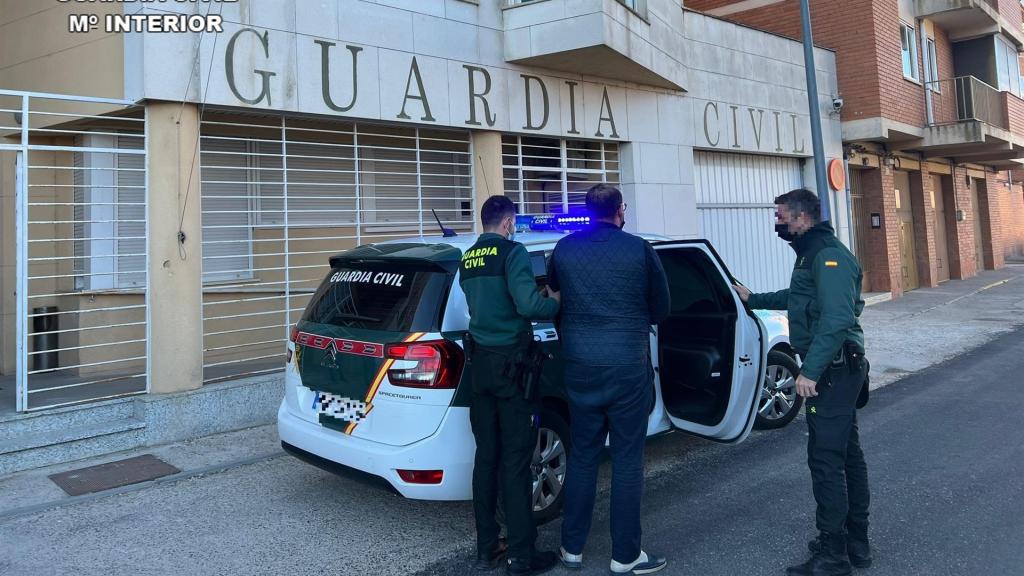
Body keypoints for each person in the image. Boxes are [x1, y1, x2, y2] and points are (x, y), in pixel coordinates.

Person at [733, 188, 871, 576]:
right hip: (837, 368)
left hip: (833, 371)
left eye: (780, 216)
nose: (776, 222)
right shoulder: (811, 255)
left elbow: (836, 318)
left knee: (827, 461)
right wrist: (753, 297)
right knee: (845, 455)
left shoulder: (828, 256)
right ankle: (853, 544)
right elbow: (800, 299)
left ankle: (834, 556)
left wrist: (810, 371)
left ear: (801, 217)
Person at [548, 184, 671, 575]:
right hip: (627, 369)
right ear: (621, 209)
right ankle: (626, 555)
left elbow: (553, 300)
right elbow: (662, 309)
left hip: (580, 368)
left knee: (583, 457)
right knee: (627, 460)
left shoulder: (564, 249)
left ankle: (571, 549)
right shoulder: (640, 249)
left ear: (587, 211)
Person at [459, 195, 562, 576]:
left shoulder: (466, 259)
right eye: (513, 224)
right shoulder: (512, 252)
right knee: (517, 462)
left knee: (485, 459)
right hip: (512, 368)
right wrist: (553, 301)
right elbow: (528, 306)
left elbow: (479, 308)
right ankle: (522, 555)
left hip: (479, 368)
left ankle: (487, 547)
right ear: (507, 223)